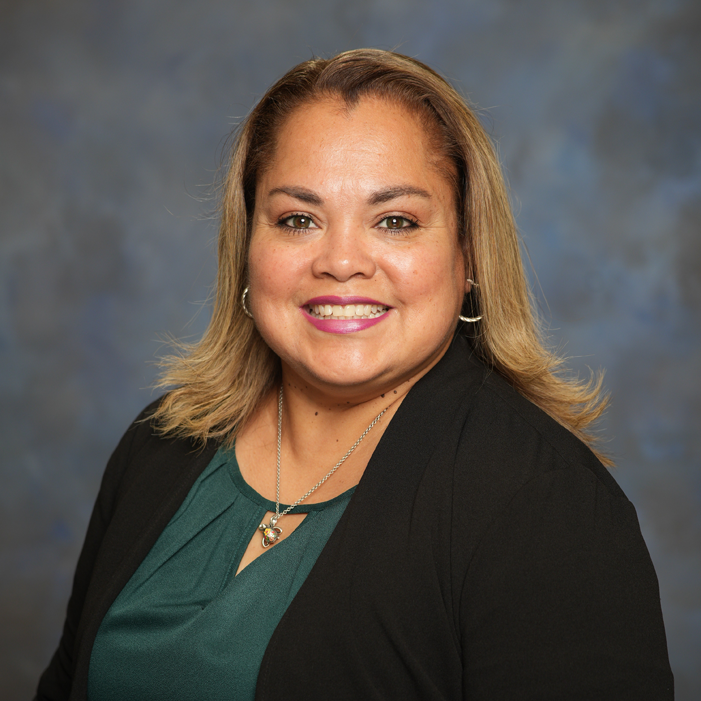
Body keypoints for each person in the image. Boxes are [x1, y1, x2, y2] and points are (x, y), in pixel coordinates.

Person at [36, 49, 673, 700]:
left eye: (395, 221)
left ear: (469, 254)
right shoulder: (160, 444)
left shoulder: (546, 505)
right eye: (298, 220)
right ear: (248, 248)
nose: (341, 262)